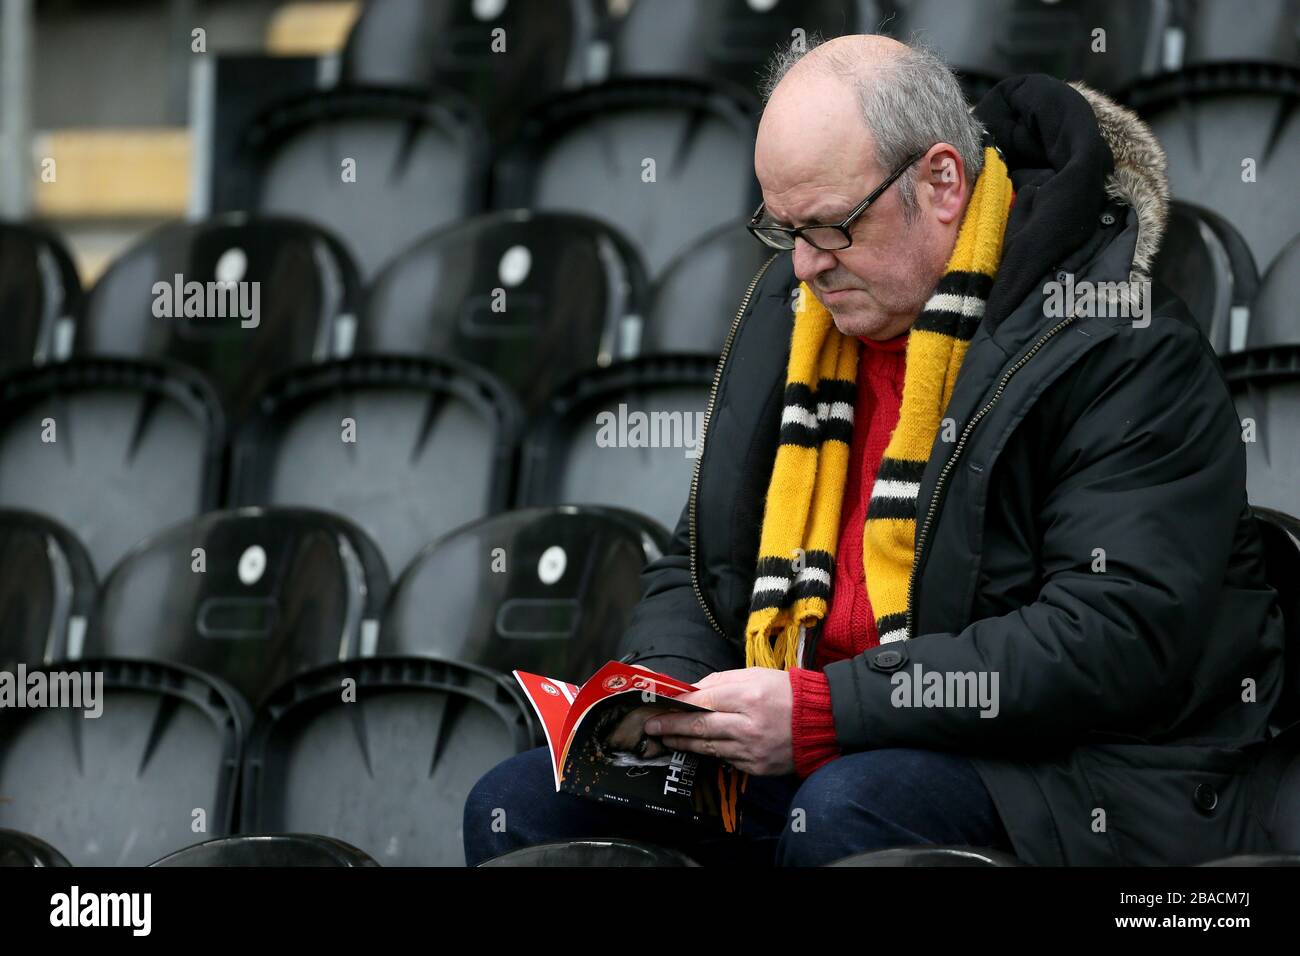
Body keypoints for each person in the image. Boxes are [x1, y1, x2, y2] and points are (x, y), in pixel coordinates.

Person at [464, 34, 1285, 867]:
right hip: (831, 735)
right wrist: (670, 700)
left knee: (848, 811)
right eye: (783, 230)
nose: (808, 266)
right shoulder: (797, 312)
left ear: (939, 182)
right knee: (523, 806)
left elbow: (1113, 633)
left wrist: (826, 711)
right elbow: (701, 561)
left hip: (1076, 772)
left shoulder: (1119, 341)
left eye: (832, 227)